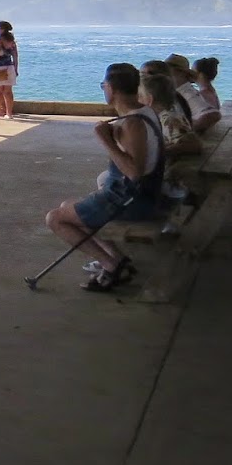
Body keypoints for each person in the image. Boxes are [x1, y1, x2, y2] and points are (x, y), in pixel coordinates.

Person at [43, 62, 166, 292]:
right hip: (137, 195)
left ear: (111, 88)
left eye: (103, 85)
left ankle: (111, 265)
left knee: (55, 218)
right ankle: (117, 259)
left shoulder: (132, 123)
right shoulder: (145, 112)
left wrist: (106, 141)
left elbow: (134, 172)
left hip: (132, 201)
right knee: (67, 206)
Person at [164, 53, 221, 134]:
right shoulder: (180, 91)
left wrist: (183, 130)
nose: (165, 75)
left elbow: (213, 115)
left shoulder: (186, 92)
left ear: (180, 73)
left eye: (168, 72)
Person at [190, 56, 223, 129]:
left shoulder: (204, 94)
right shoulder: (210, 90)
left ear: (201, 74)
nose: (190, 73)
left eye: (193, 70)